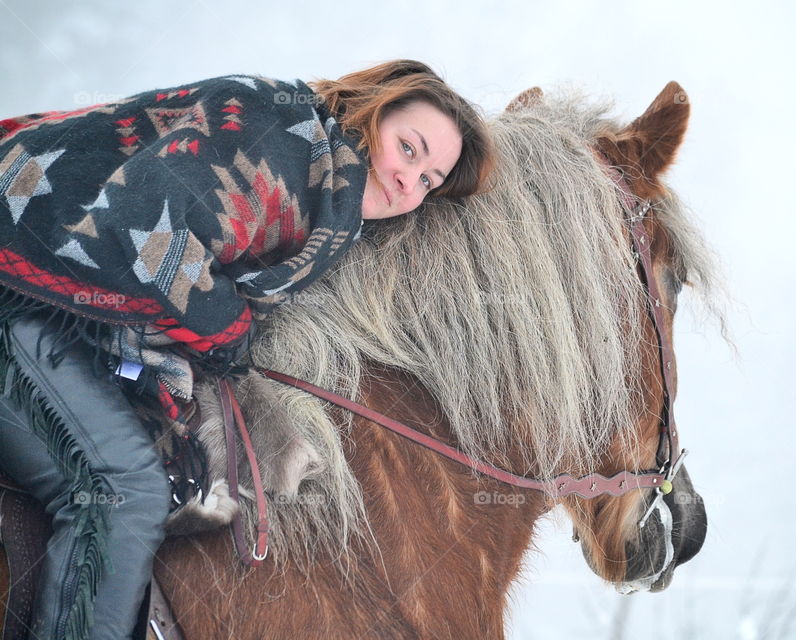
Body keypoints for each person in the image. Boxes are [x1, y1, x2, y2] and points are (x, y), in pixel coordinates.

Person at [0, 60, 492, 640]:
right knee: (122, 490)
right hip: (20, 286)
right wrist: (231, 338)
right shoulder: (277, 129)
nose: (412, 182)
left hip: (60, 304)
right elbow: (146, 227)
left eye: (431, 180)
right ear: (370, 112)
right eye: (409, 149)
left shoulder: (325, 206)